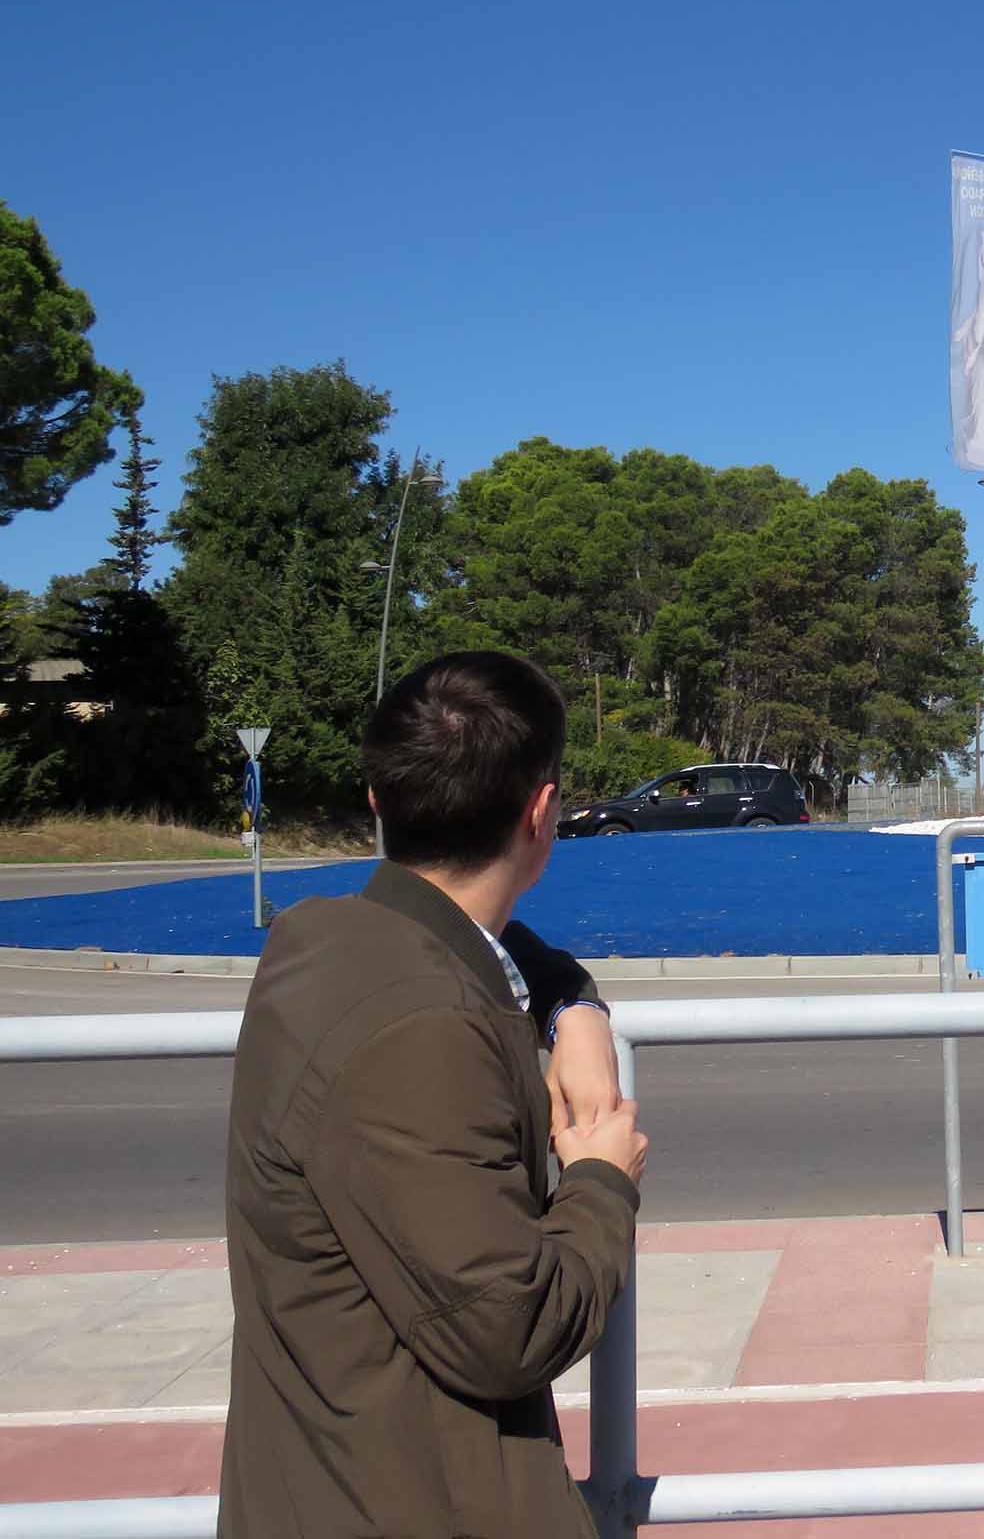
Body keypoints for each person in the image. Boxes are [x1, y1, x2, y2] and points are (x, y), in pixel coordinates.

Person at [220, 651, 648, 1537]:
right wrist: (602, 1179)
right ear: (543, 813)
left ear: (380, 802)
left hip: (319, 1485)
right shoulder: (420, 1030)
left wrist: (571, 1003)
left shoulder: (322, 945)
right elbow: (512, 1328)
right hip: (413, 1502)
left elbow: (470, 938)